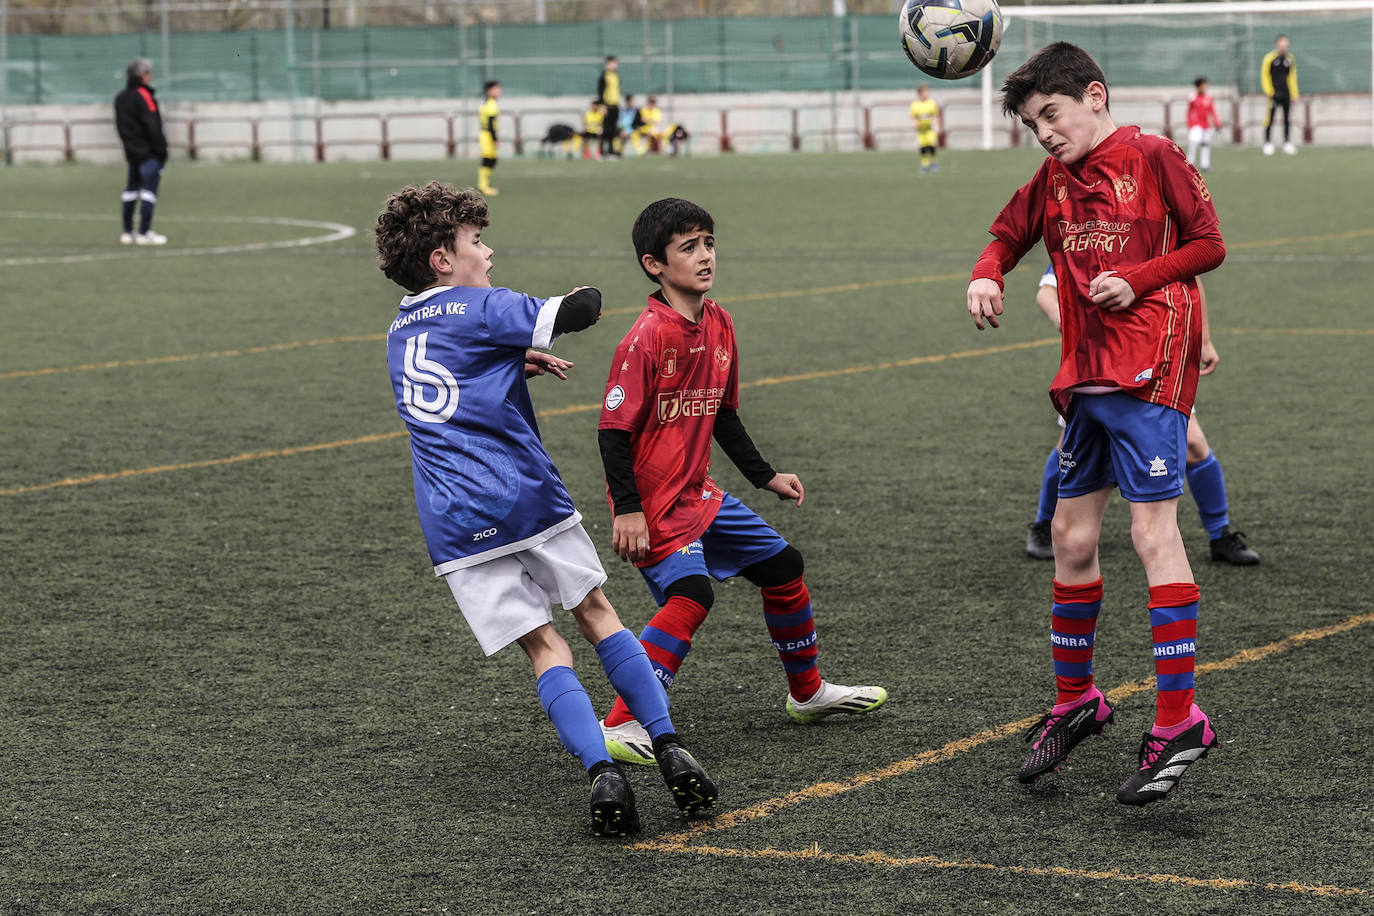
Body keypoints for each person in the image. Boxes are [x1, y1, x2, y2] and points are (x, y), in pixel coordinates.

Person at [375, 182, 716, 836]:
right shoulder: (480, 306)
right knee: (595, 612)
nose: (490, 251)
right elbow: (576, 309)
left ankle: (600, 772)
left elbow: (450, 379)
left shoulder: (400, 326)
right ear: (444, 260)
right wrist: (582, 298)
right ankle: (669, 746)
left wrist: (509, 364)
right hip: (521, 494)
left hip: (452, 521)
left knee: (543, 645)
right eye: (476, 241)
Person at [966, 42, 1226, 806]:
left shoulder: (1153, 155)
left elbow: (1209, 244)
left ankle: (1180, 719)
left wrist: (1138, 278)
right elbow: (1006, 235)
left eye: (1052, 115)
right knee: (1073, 538)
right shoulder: (1051, 178)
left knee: (1152, 535)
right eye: (1031, 123)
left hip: (1151, 364)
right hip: (1086, 370)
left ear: (1095, 96)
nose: (1044, 132)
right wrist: (986, 272)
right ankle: (1077, 700)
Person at [596, 197, 888, 766]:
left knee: (784, 567)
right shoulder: (646, 338)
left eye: (709, 243)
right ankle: (625, 721)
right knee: (692, 594)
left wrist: (766, 476)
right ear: (654, 264)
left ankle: (807, 694)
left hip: (699, 492)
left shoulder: (720, 323)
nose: (705, 257)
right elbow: (613, 432)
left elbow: (723, 414)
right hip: (654, 502)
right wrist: (627, 510)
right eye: (689, 248)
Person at [1026, 266, 1260, 566]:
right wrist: (1068, 319)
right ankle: (1044, 525)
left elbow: (1191, 279)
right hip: (1099, 365)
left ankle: (1220, 535)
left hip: (1158, 365)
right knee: (1070, 451)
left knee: (1194, 446)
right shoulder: (1091, 231)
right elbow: (1047, 291)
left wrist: (1202, 340)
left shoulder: (1161, 230)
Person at [113, 58, 168, 246]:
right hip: (149, 153)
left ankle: (128, 232)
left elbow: (121, 127)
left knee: (130, 191)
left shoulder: (120, 98)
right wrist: (162, 150)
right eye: (148, 73)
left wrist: (131, 147)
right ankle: (145, 231)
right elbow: (153, 124)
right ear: (142, 76)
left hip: (131, 153)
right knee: (149, 192)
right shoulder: (144, 95)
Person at [1261, 35, 1298, 156]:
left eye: (1286, 44)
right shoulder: (1269, 58)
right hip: (1274, 94)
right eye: (1282, 44)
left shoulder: (1290, 59)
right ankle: (1267, 143)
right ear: (1277, 44)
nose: (1284, 46)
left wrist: (1294, 93)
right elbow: (1265, 75)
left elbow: (1292, 77)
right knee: (1270, 119)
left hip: (1286, 93)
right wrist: (1269, 91)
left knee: (1287, 119)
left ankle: (1287, 143)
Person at [1185, 77, 1222, 172]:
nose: (1205, 87)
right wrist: (1190, 123)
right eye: (1203, 85)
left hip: (1206, 125)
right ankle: (1190, 163)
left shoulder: (1208, 98)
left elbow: (1212, 111)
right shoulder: (1193, 97)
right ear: (1198, 86)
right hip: (1196, 125)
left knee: (1206, 144)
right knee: (1194, 142)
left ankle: (1205, 165)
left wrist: (1217, 123)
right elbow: (1189, 111)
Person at [909, 84, 942, 172]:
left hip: (930, 129)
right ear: (920, 93)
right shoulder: (915, 104)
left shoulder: (932, 103)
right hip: (921, 130)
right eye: (925, 92)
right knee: (923, 147)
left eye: (927, 92)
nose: (927, 94)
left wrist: (938, 127)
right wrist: (914, 123)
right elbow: (913, 116)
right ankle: (924, 164)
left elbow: (937, 115)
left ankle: (933, 162)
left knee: (931, 145)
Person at [477, 81, 501, 196]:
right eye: (496, 89)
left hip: (485, 134)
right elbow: (491, 123)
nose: (499, 91)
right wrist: (495, 139)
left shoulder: (486, 102)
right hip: (487, 135)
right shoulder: (491, 103)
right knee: (488, 160)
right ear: (489, 91)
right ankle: (483, 186)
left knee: (491, 160)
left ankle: (485, 184)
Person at [597, 56, 622, 159]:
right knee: (605, 130)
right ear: (607, 64)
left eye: (615, 63)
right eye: (612, 63)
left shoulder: (616, 76)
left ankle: (611, 152)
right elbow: (600, 91)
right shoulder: (604, 76)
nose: (614, 65)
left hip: (615, 106)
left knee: (613, 130)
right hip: (606, 106)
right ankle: (603, 152)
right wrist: (602, 105)